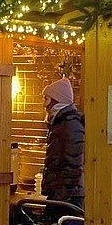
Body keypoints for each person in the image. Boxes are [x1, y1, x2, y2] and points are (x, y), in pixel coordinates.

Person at [42, 77, 85, 212]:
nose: (44, 105)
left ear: (56, 100)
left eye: (46, 99)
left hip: (67, 196)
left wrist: (61, 197)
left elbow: (72, 163)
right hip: (62, 194)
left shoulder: (70, 125)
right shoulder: (61, 124)